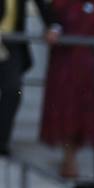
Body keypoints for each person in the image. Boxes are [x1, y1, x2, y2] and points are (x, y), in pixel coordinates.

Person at [39, 0, 94, 178]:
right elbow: (51, 24)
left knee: (81, 112)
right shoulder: (59, 4)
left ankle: (71, 158)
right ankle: (69, 159)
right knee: (66, 111)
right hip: (65, 65)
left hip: (86, 65)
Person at [0, 0, 55, 158]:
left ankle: (2, 142)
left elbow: (42, 5)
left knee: (13, 90)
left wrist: (53, 26)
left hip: (12, 43)